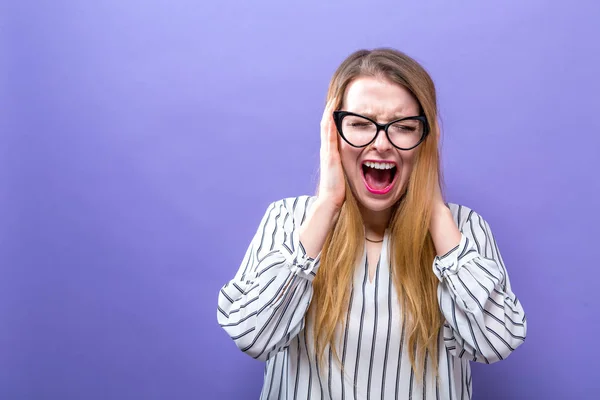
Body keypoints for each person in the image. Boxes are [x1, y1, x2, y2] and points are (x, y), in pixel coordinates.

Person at [217, 48, 527, 399]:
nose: (381, 144)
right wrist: (327, 206)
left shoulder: (464, 229)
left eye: (405, 127)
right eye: (360, 124)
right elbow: (251, 335)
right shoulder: (288, 220)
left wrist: (435, 208)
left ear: (426, 139)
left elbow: (496, 343)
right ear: (333, 133)